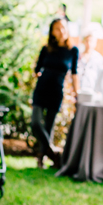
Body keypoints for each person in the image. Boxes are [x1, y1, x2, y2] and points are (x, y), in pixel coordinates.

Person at [32, 18, 79, 169]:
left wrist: (76, 93)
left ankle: (41, 159)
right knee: (35, 123)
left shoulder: (73, 50)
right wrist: (39, 75)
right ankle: (53, 153)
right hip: (42, 88)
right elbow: (37, 69)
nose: (61, 31)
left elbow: (74, 74)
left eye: (63, 28)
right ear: (52, 32)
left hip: (57, 90)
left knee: (49, 126)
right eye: (57, 28)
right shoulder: (46, 49)